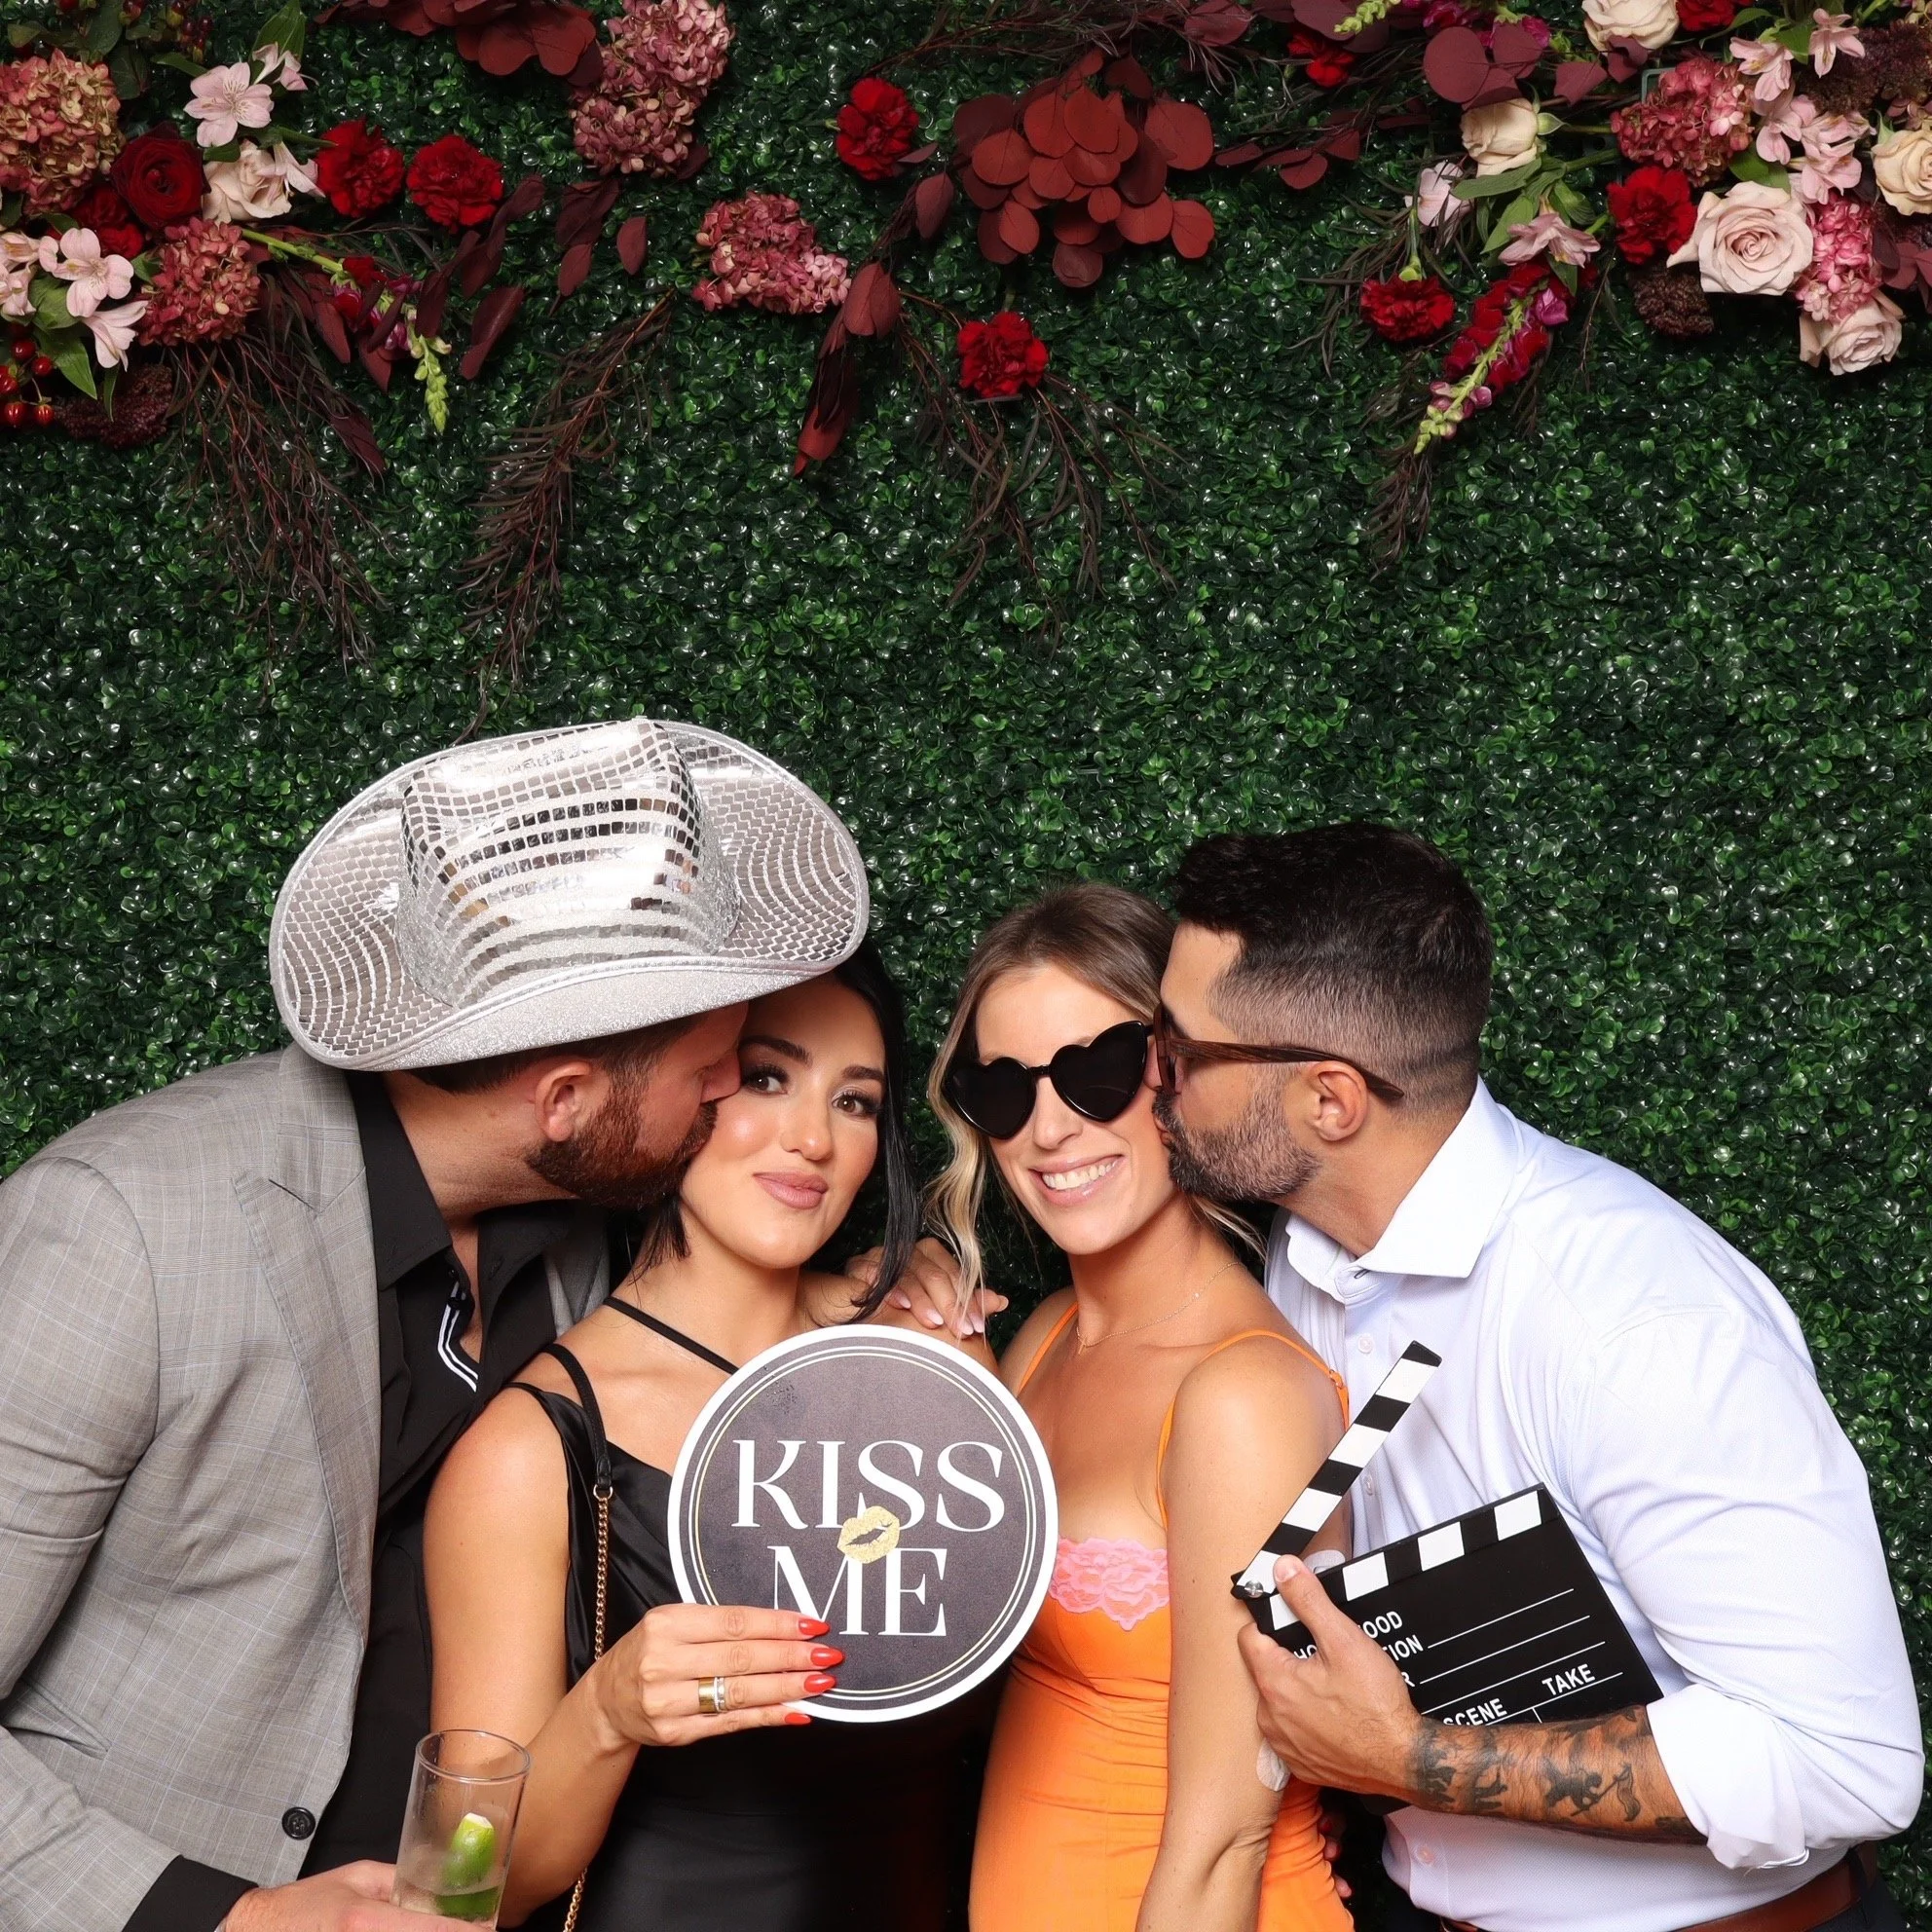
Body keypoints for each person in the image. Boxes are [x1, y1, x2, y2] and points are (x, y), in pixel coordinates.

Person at [0, 718, 934, 1932]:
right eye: (722, 1068)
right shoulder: (122, 1230)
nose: (726, 1103)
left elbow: (709, 1319)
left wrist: (886, 1287)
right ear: (564, 1101)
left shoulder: (577, 1238)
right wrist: (221, 1919)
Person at [1151, 824, 1922, 1932]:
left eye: (1183, 1047)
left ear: (1329, 1100)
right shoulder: (1302, 1251)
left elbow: (1848, 1763)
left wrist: (1412, 1757)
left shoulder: (1635, 1318)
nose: (1156, 1074)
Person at [424, 943, 987, 1931]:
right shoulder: (534, 1445)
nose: (812, 1137)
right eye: (767, 1078)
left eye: (854, 1101)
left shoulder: (931, 1379)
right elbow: (459, 1880)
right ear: (690, 1092)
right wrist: (606, 1713)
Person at [928, 884, 1356, 1932]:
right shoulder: (1040, 1344)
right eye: (1004, 1088)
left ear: (1179, 1073)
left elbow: (1222, 1843)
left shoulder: (1242, 1395)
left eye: (1097, 1071)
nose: (1050, 1126)